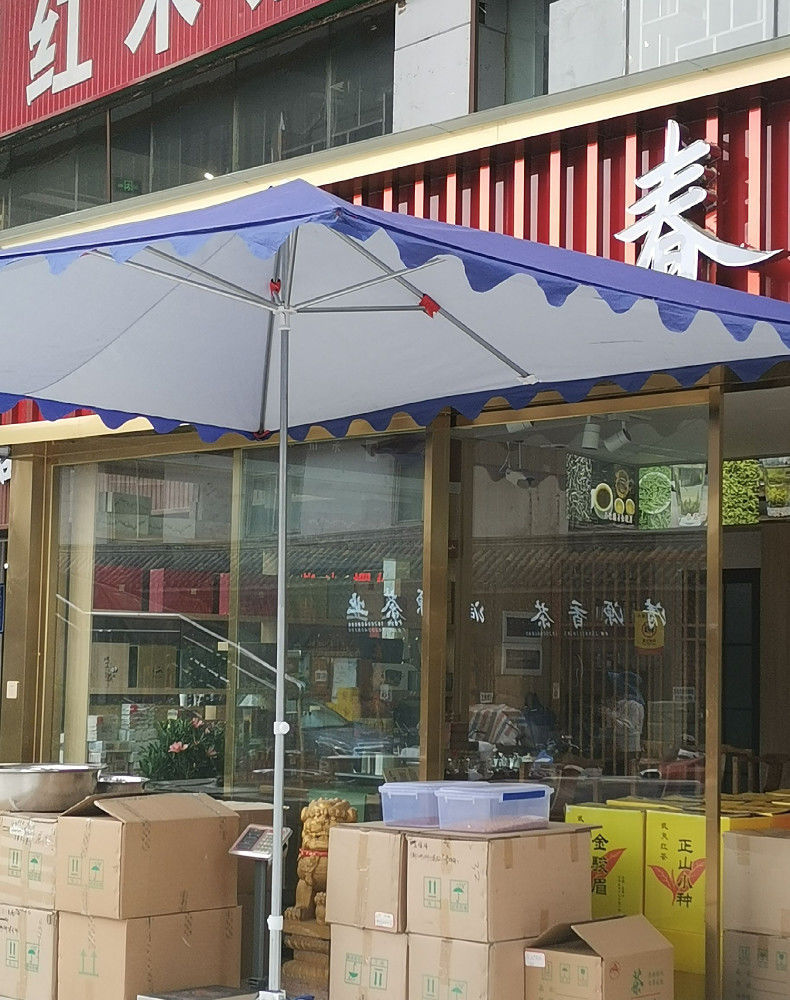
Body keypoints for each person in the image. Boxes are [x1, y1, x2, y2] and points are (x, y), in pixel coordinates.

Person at [602, 671, 644, 772]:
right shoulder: (621, 703)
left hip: (629, 750)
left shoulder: (634, 705)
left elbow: (629, 728)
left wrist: (610, 715)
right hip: (618, 748)